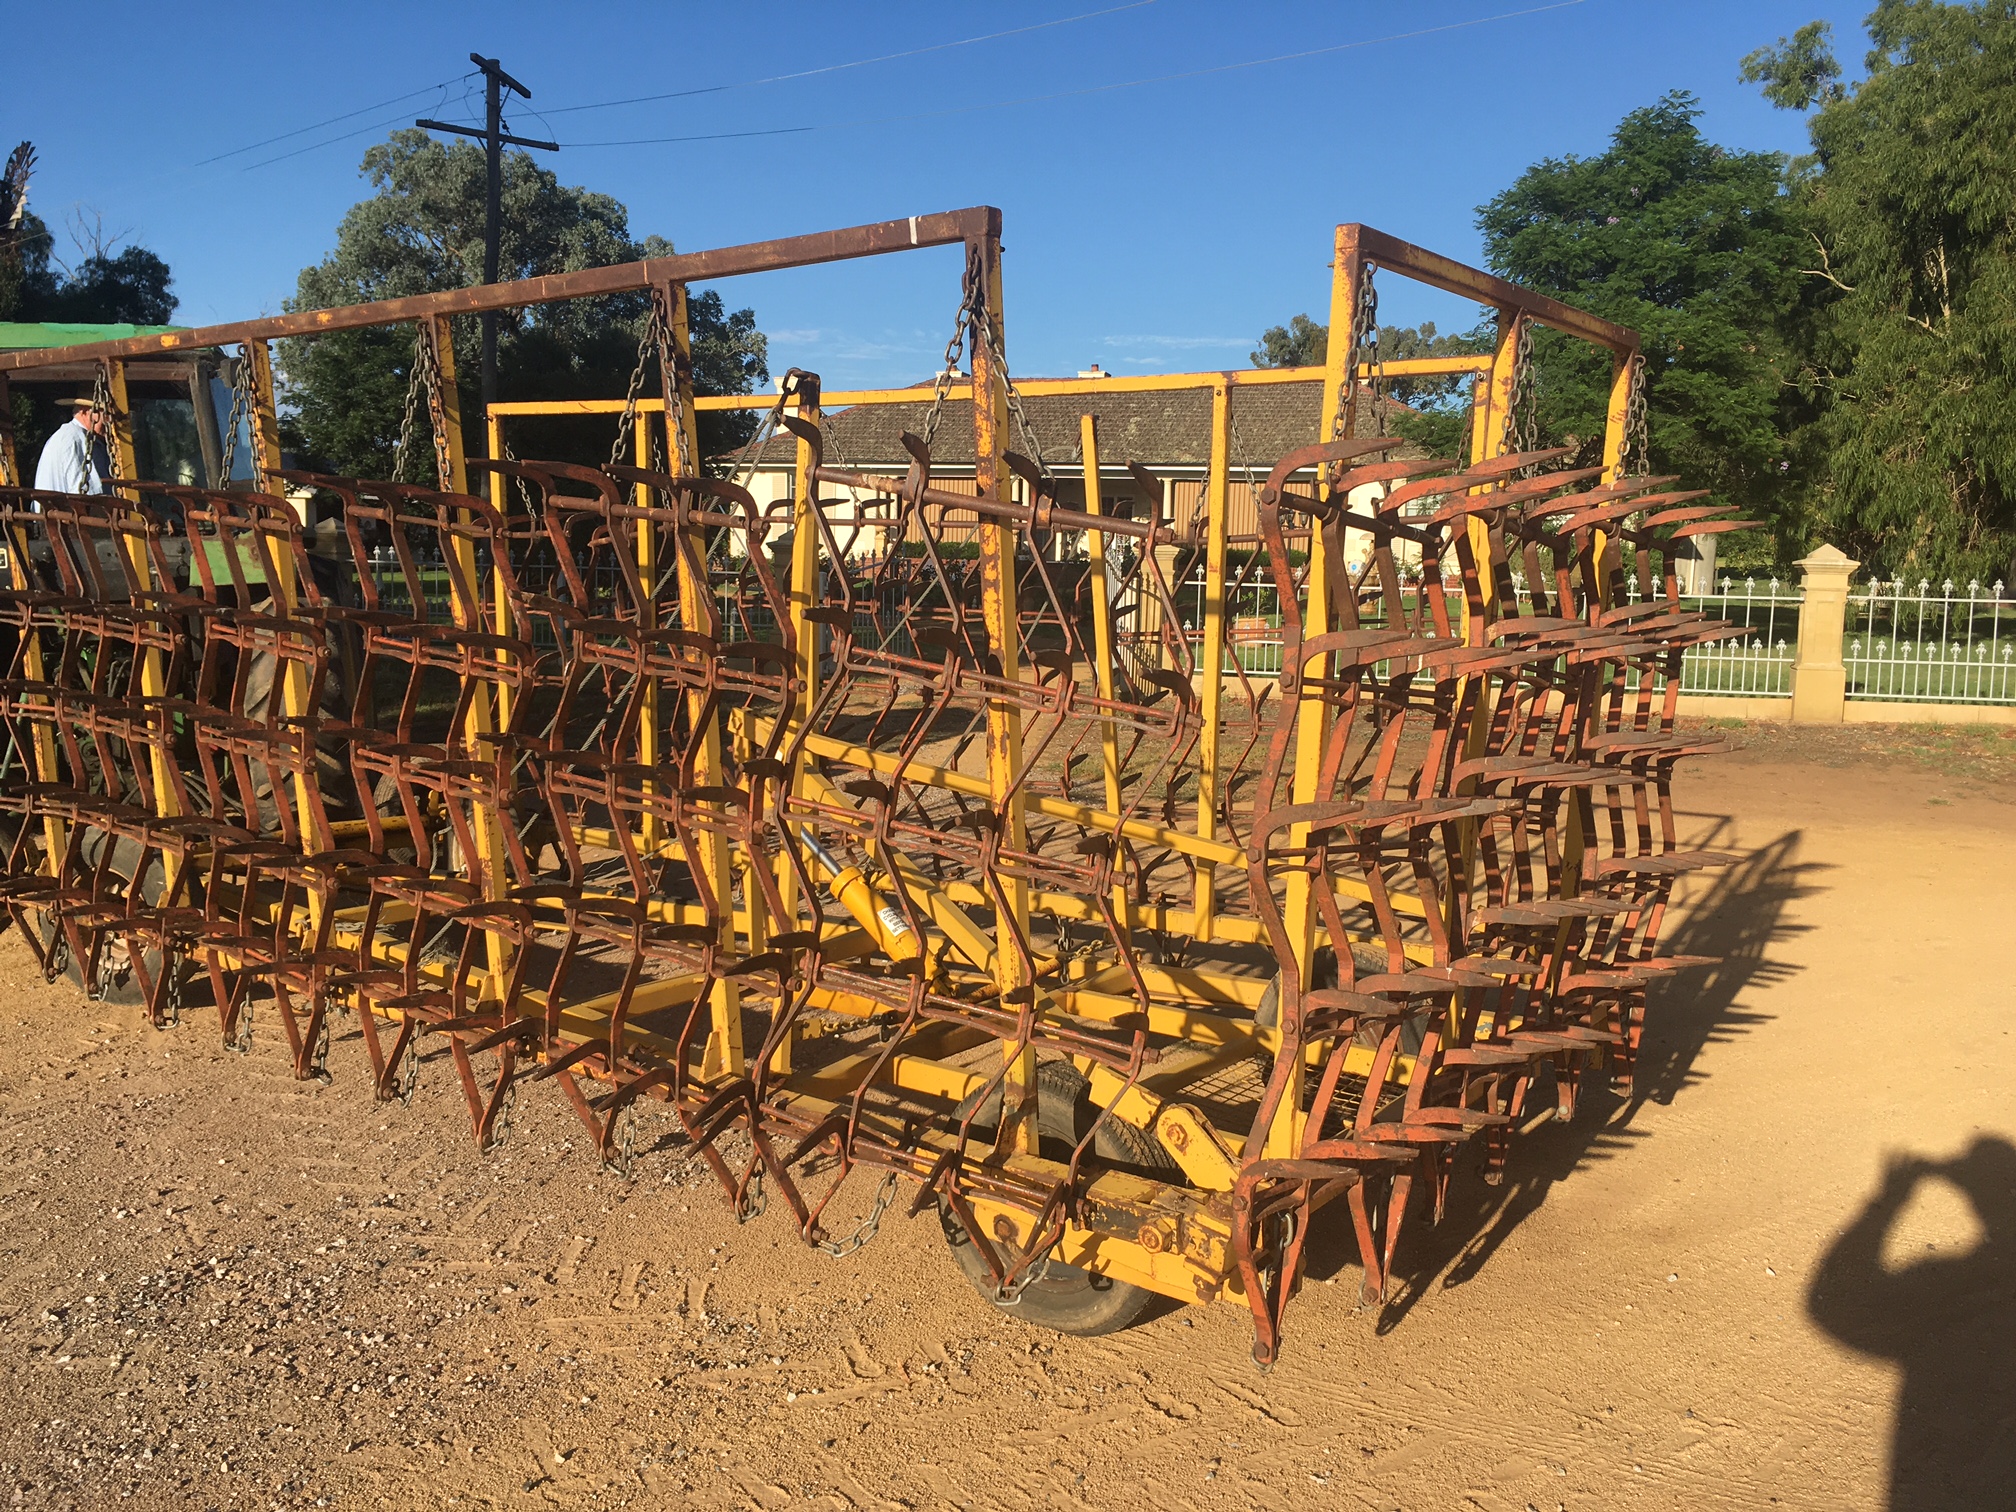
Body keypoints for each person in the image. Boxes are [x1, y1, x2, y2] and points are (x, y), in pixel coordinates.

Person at [32, 395, 115, 495]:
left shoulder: (70, 435)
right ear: (84, 412)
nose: (111, 422)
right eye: (106, 415)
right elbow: (84, 495)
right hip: (64, 510)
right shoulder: (76, 439)